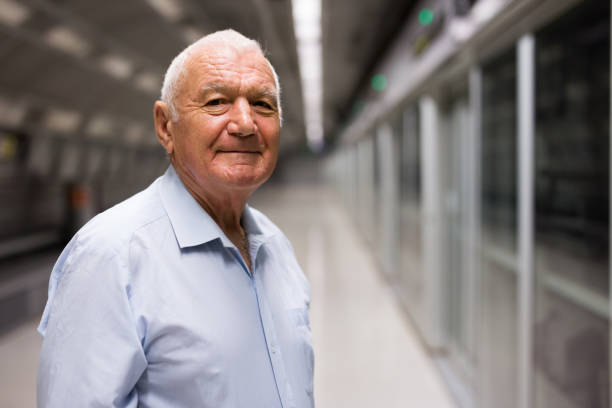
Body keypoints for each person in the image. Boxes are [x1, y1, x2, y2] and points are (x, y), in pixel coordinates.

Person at [37, 29, 314, 408]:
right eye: (217, 102)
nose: (245, 123)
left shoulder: (275, 246)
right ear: (166, 126)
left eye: (263, 104)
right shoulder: (112, 256)